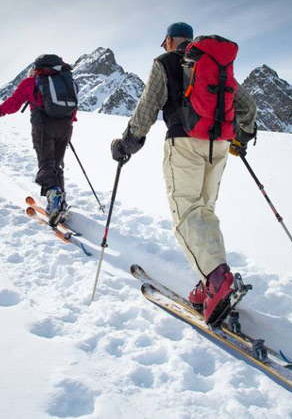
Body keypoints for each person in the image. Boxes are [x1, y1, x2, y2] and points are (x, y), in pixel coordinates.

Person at [110, 22, 257, 326]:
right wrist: (241, 138)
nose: (163, 46)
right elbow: (247, 106)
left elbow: (147, 108)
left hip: (184, 142)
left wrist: (127, 144)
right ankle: (210, 283)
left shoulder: (166, 62)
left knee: (186, 213)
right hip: (218, 146)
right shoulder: (214, 63)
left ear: (171, 40)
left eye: (164, 41)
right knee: (203, 211)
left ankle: (217, 280)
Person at [0, 54, 78, 225]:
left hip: (43, 127)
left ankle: (55, 201)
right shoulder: (67, 83)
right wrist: (65, 125)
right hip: (66, 128)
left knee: (46, 164)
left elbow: (14, 103)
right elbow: (73, 106)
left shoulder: (32, 82)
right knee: (57, 165)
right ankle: (61, 202)